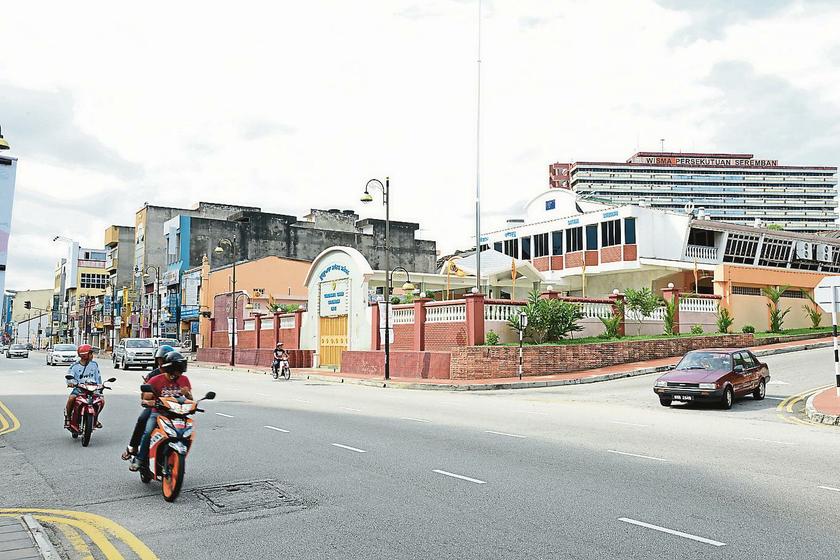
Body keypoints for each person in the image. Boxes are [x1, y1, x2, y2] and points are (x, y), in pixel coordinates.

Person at [132, 351, 192, 473]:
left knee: (187, 434)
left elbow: (190, 399)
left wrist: (188, 396)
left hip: (178, 415)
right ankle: (140, 458)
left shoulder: (184, 380)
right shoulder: (156, 380)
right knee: (148, 432)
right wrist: (151, 402)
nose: (179, 373)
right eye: (177, 370)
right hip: (159, 413)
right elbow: (145, 399)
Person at [121, 345, 174, 462]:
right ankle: (133, 447)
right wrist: (150, 399)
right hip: (157, 407)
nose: (161, 363)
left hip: (174, 409)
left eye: (164, 360)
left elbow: (186, 394)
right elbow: (144, 396)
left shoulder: (177, 374)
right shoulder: (153, 375)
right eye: (159, 360)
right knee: (142, 419)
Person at [65, 344, 102, 428]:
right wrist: (71, 383)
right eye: (90, 353)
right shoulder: (74, 366)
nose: (92, 356)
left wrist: (100, 386)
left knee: (101, 401)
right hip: (79, 389)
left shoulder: (94, 364)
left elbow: (98, 377)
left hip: (92, 389)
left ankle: (95, 419)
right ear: (85, 355)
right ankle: (68, 418)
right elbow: (69, 377)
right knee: (71, 398)